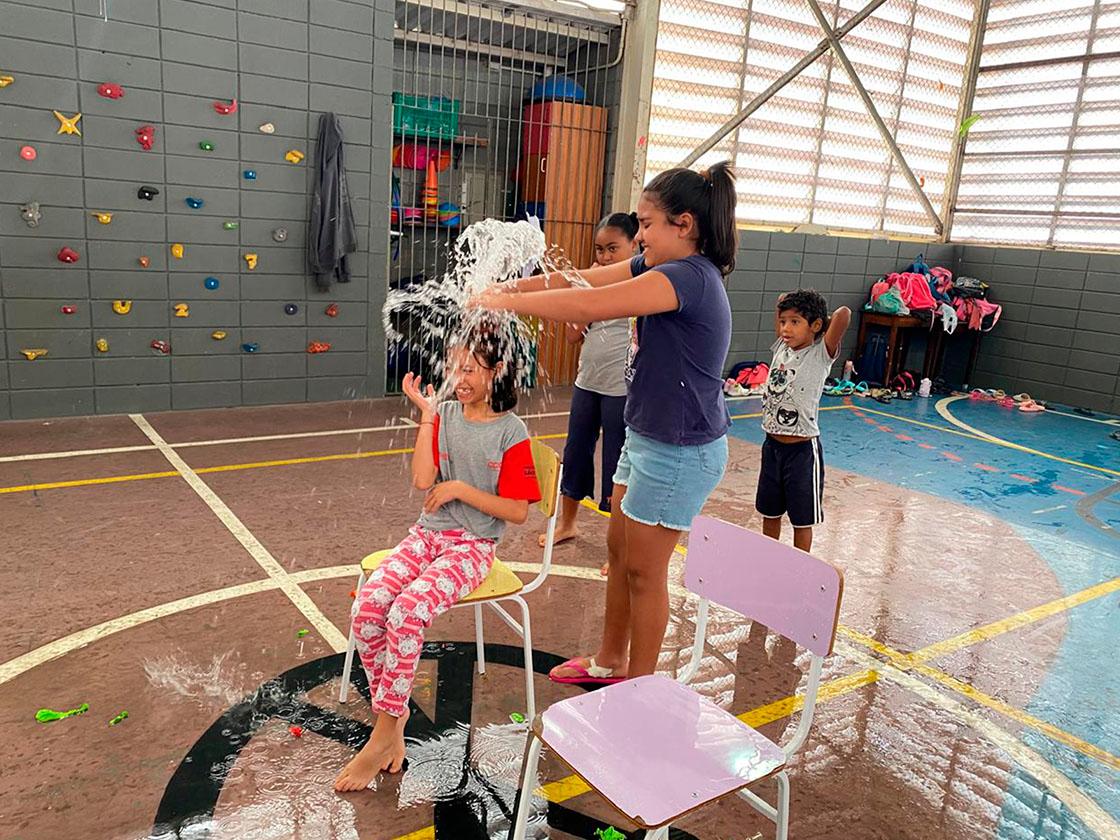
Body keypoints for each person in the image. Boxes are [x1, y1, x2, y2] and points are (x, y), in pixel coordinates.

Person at [470, 161, 737, 684]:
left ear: (684, 225)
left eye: (647, 224)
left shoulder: (688, 277)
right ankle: (611, 661)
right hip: (646, 436)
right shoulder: (657, 265)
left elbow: (591, 303)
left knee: (644, 572)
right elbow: (579, 279)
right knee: (620, 554)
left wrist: (504, 302)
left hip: (680, 450)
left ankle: (639, 689)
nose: (641, 235)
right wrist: (510, 287)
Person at [334, 329, 540, 791]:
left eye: (469, 369)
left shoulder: (511, 431)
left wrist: (461, 490)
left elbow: (517, 512)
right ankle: (394, 719)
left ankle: (383, 733)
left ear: (497, 372)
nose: (457, 378)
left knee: (407, 613)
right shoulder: (444, 414)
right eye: (453, 368)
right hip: (427, 537)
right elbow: (423, 479)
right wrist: (428, 416)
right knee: (367, 608)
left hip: (473, 547)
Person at [541, 212, 639, 561]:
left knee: (618, 464)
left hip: (621, 390)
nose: (605, 257)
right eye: (600, 250)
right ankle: (568, 523)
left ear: (634, 245)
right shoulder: (591, 281)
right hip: (587, 383)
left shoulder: (642, 284)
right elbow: (571, 335)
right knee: (576, 452)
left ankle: (619, 547)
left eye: (613, 248)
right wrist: (585, 295)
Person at [757, 289, 851, 553]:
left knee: (802, 518)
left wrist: (818, 319)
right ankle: (768, 558)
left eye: (795, 322)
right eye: (783, 321)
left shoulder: (820, 354)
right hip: (772, 447)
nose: (785, 328)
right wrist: (794, 313)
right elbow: (781, 300)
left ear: (816, 325)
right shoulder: (781, 347)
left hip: (801, 453)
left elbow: (844, 314)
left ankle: (801, 564)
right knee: (770, 512)